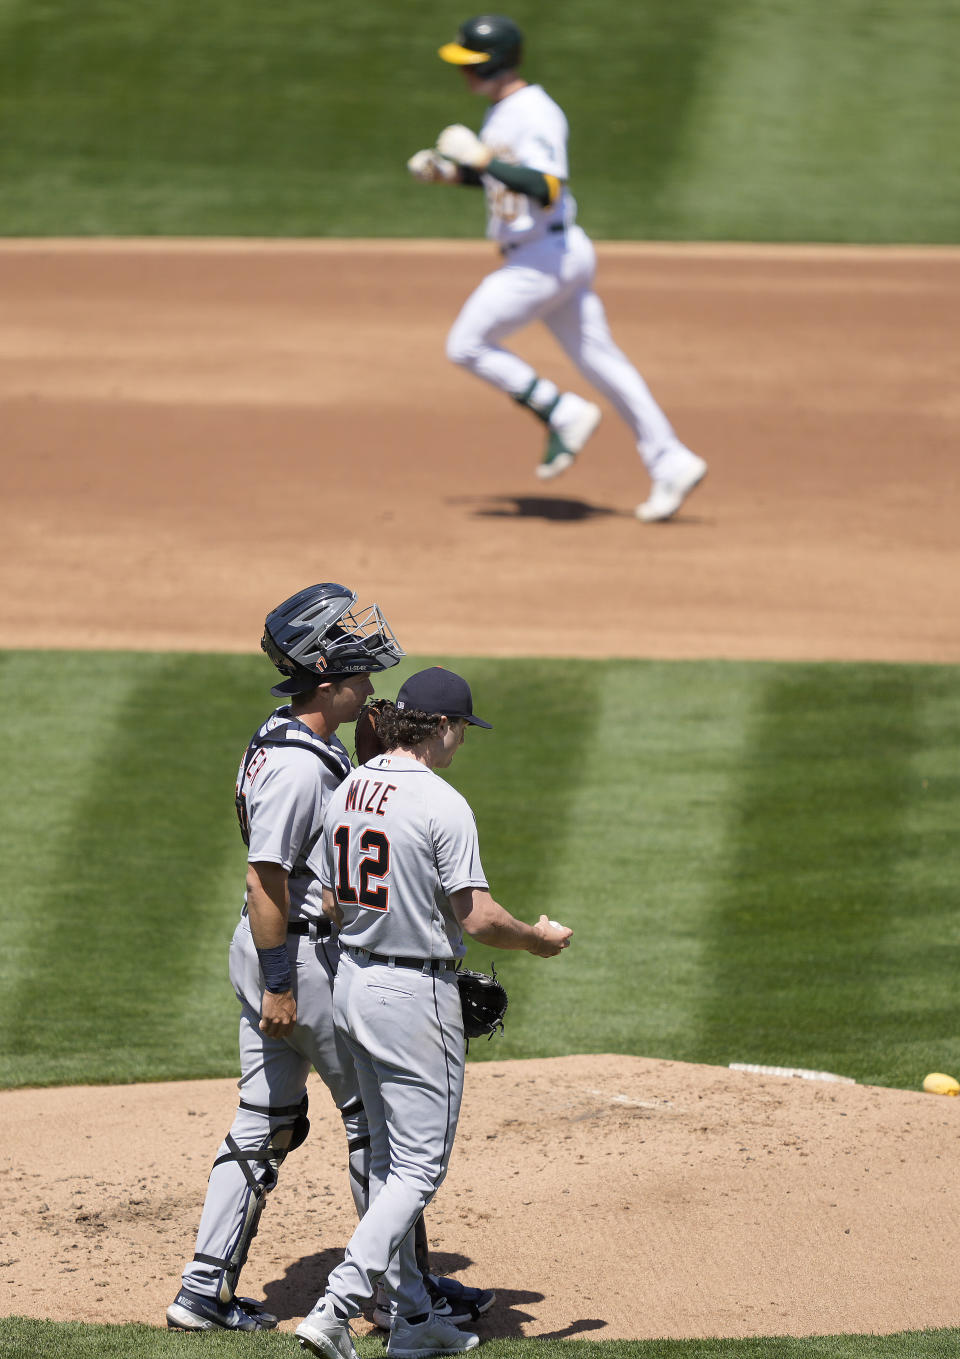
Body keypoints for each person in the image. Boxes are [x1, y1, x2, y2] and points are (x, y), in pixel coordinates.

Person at [167, 586, 490, 1333]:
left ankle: (202, 1290)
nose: (369, 671)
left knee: (267, 1118)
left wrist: (370, 756)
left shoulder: (294, 739)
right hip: (300, 960)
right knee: (374, 1129)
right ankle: (403, 1298)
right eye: (354, 658)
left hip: (281, 952)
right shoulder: (299, 767)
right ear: (325, 670)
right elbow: (265, 877)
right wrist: (282, 984)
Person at [295, 667, 572, 1359]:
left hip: (351, 982)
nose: (460, 744)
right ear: (442, 726)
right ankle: (335, 1306)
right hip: (412, 995)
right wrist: (536, 941)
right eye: (461, 731)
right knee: (419, 1168)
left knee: (389, 1160)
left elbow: (330, 899)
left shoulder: (349, 785)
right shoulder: (442, 802)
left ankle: (415, 1324)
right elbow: (476, 916)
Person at [406, 14, 707, 524]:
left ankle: (559, 410)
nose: (464, 74)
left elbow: (546, 185)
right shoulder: (504, 111)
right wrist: (453, 175)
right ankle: (670, 458)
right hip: (551, 251)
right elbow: (505, 181)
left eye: (472, 64)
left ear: (497, 62)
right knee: (604, 363)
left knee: (467, 344)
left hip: (542, 258)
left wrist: (479, 159)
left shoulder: (535, 112)